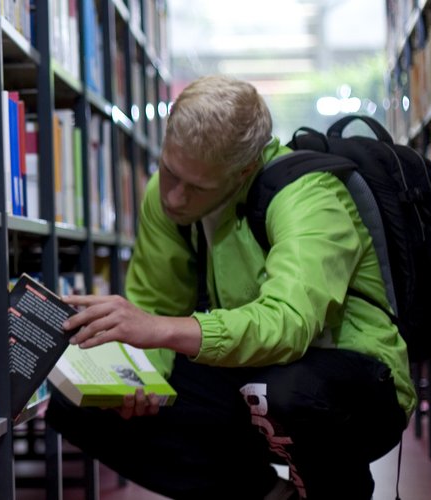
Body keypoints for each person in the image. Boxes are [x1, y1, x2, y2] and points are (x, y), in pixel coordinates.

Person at [48, 75, 412, 500]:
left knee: (284, 393)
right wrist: (139, 379)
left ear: (244, 171)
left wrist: (159, 329)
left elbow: (288, 324)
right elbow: (157, 301)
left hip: (354, 387)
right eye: (169, 172)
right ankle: (265, 493)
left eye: (198, 187)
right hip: (250, 375)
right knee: (80, 404)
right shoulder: (163, 199)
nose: (175, 198)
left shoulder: (308, 196)